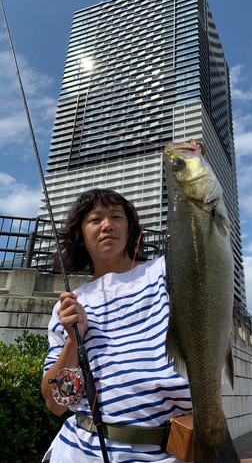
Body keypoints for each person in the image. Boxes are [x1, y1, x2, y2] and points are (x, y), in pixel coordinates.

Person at [41, 188, 192, 462]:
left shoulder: (165, 271)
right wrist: (74, 341)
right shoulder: (68, 305)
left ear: (131, 229)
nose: (107, 225)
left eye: (116, 217)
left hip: (164, 452)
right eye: (95, 219)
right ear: (81, 238)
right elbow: (57, 403)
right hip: (78, 450)